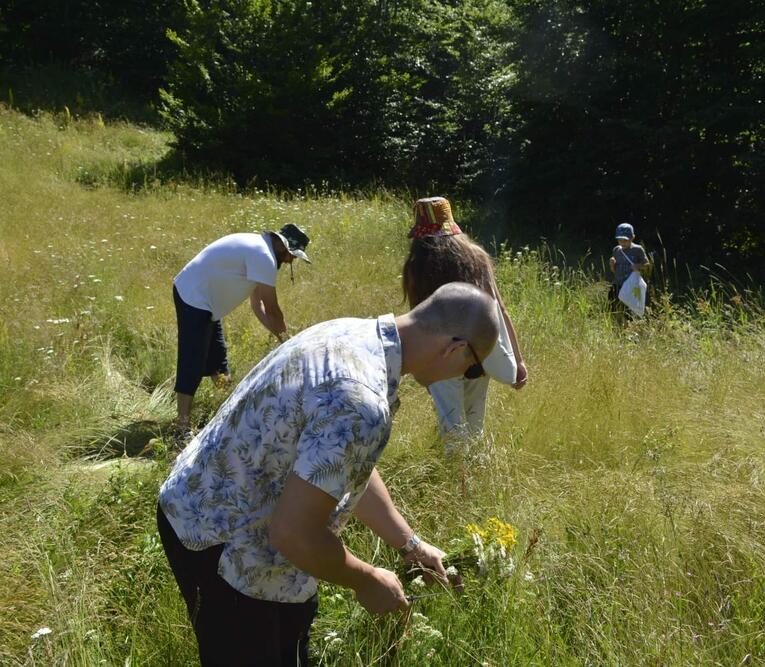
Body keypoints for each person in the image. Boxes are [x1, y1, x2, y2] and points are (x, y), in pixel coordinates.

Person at [157, 282, 500, 666]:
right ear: (455, 348)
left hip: (195, 501)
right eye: (471, 370)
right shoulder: (361, 399)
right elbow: (293, 533)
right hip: (223, 543)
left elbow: (340, 465)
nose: (464, 376)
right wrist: (369, 580)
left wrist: (410, 545)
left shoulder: (350, 334)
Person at [401, 196, 528, 451]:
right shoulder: (477, 258)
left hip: (440, 356)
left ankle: (456, 481)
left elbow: (418, 323)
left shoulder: (417, 266)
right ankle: (472, 478)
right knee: (474, 425)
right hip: (479, 349)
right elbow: (499, 311)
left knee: (452, 429)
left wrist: (424, 368)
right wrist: (518, 360)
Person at [172, 224, 311, 429]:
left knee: (218, 358)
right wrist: (288, 343)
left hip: (207, 303)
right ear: (283, 247)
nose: (292, 260)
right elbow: (273, 311)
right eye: (293, 256)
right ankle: (181, 425)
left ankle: (223, 408)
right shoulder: (264, 256)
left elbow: (258, 306)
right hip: (193, 297)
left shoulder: (259, 250)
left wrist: (282, 340)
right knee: (192, 360)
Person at [608, 222, 650, 316]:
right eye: (620, 240)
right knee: (612, 307)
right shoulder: (617, 250)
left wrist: (638, 266)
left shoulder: (638, 250)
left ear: (632, 237)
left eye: (625, 240)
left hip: (631, 286)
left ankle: (628, 326)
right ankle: (614, 325)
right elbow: (614, 271)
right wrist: (612, 265)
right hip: (617, 284)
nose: (622, 242)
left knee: (628, 311)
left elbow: (647, 265)